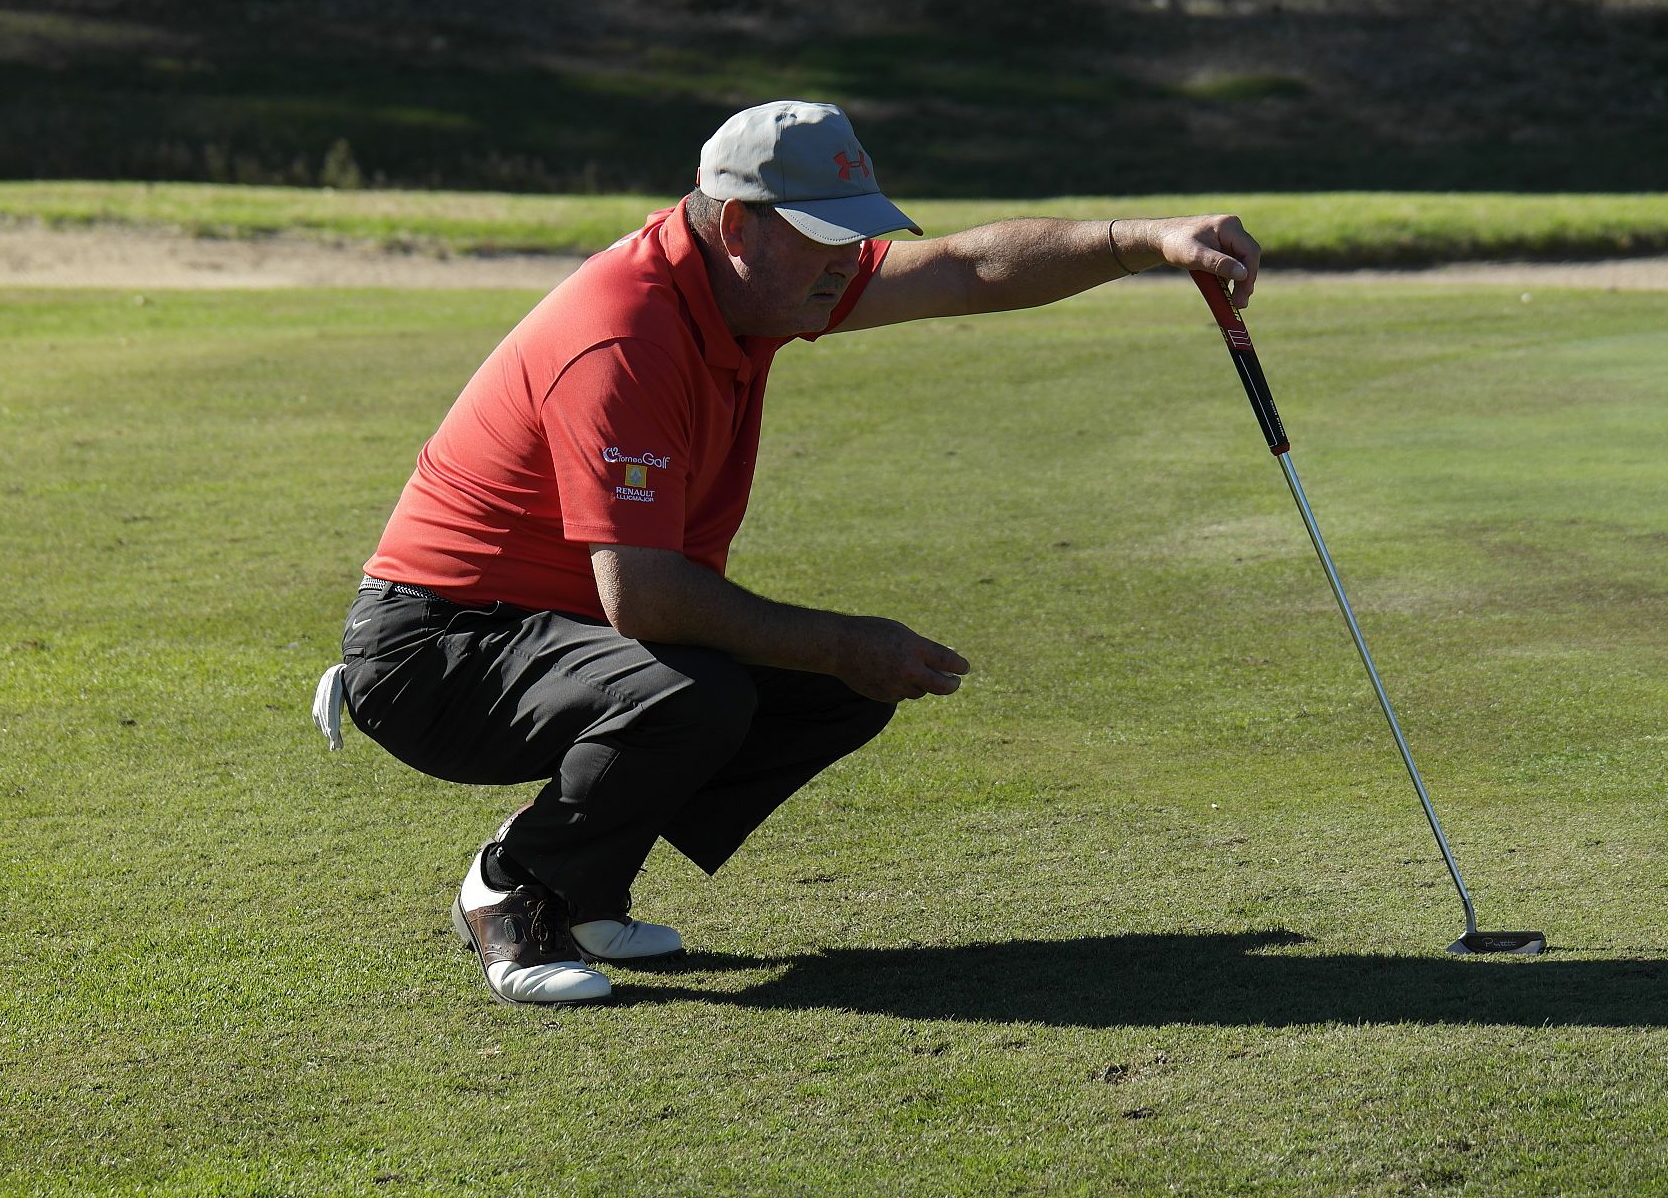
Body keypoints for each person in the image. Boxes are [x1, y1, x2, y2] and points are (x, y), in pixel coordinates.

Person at [311, 100, 1259, 1005]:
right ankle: (516, 884)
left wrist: (1152, 239)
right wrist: (843, 637)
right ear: (737, 228)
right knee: (703, 691)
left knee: (832, 688)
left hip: (549, 629)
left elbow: (968, 270)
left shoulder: (761, 288)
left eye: (854, 234)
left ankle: (587, 888)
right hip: (435, 652)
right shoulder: (624, 334)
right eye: (822, 235)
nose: (846, 262)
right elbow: (643, 598)